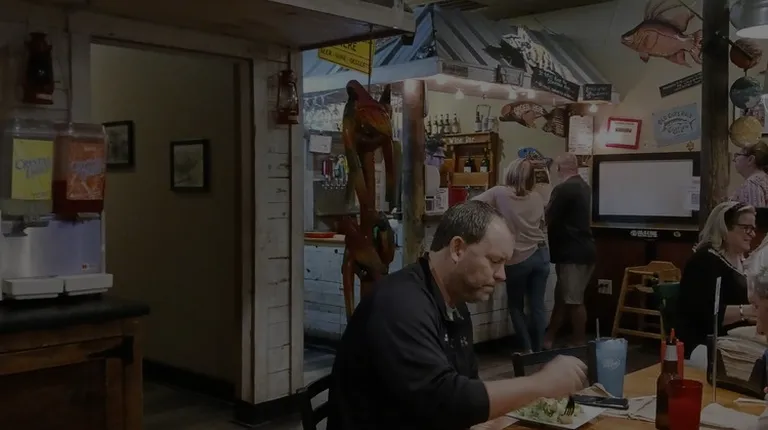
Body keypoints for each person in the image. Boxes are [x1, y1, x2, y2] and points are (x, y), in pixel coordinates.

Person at [326, 200, 589, 430]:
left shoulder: (455, 305)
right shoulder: (399, 304)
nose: (502, 275)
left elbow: (465, 387)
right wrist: (540, 385)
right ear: (457, 249)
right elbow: (444, 401)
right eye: (494, 261)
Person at [474, 158, 549, 353]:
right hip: (541, 254)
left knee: (516, 305)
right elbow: (542, 223)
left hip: (518, 258)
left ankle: (527, 350)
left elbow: (470, 206)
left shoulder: (499, 193)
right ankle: (539, 349)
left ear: (510, 173)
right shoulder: (537, 197)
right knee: (537, 305)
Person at [676, 202, 756, 367]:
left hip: (732, 339)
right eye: (746, 228)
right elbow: (704, 314)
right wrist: (747, 311)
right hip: (700, 343)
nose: (753, 234)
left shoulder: (741, 261)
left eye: (753, 228)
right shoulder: (704, 261)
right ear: (724, 228)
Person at [543, 153, 596, 349]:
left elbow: (547, 216)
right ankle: (549, 338)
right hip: (585, 249)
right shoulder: (585, 187)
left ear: (559, 169)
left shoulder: (563, 189)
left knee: (573, 300)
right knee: (562, 298)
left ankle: (578, 342)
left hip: (571, 252)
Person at [731, 141, 768, 207]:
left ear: (750, 160)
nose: (734, 159)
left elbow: (755, 212)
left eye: (738, 155)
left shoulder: (752, 183)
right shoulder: (763, 179)